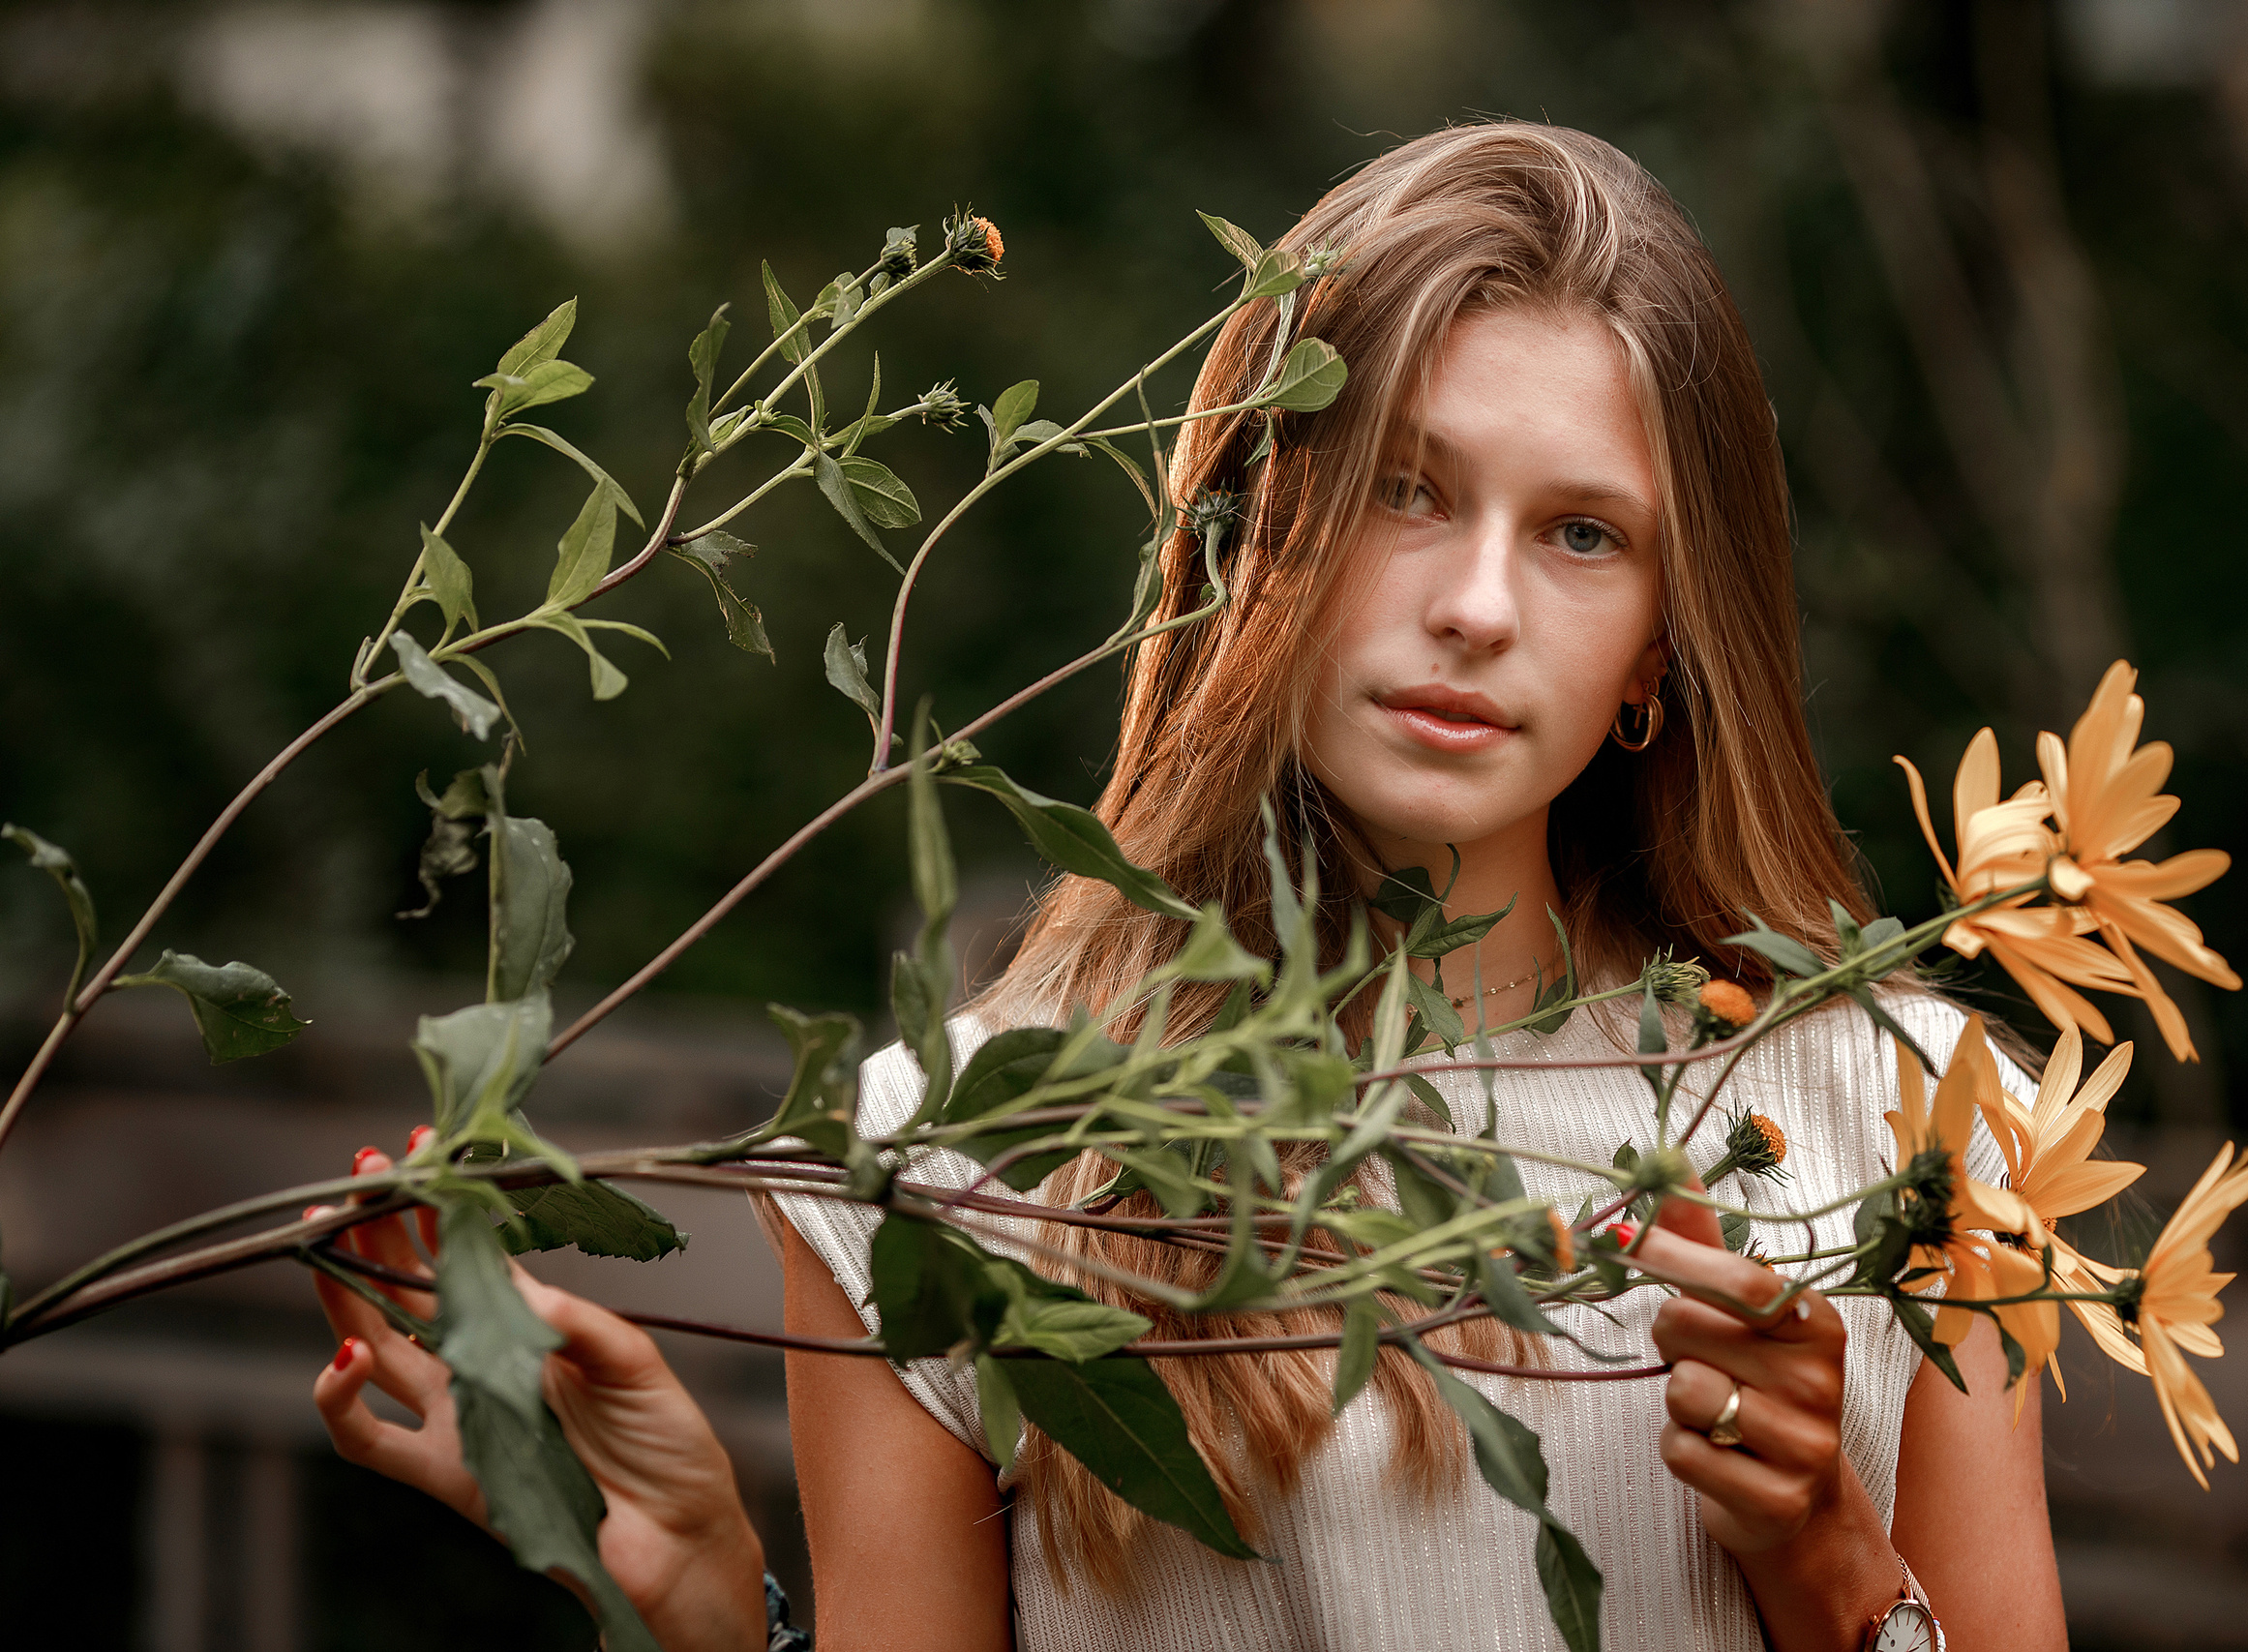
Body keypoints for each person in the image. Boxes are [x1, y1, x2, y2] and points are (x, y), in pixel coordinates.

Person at [309, 122, 2071, 1651]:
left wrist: (1829, 1560)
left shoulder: (1904, 1115)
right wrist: (700, 1607)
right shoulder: (952, 1156)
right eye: (1404, 489)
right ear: (1246, 534)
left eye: (1580, 532)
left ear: (1660, 655)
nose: (1475, 601)